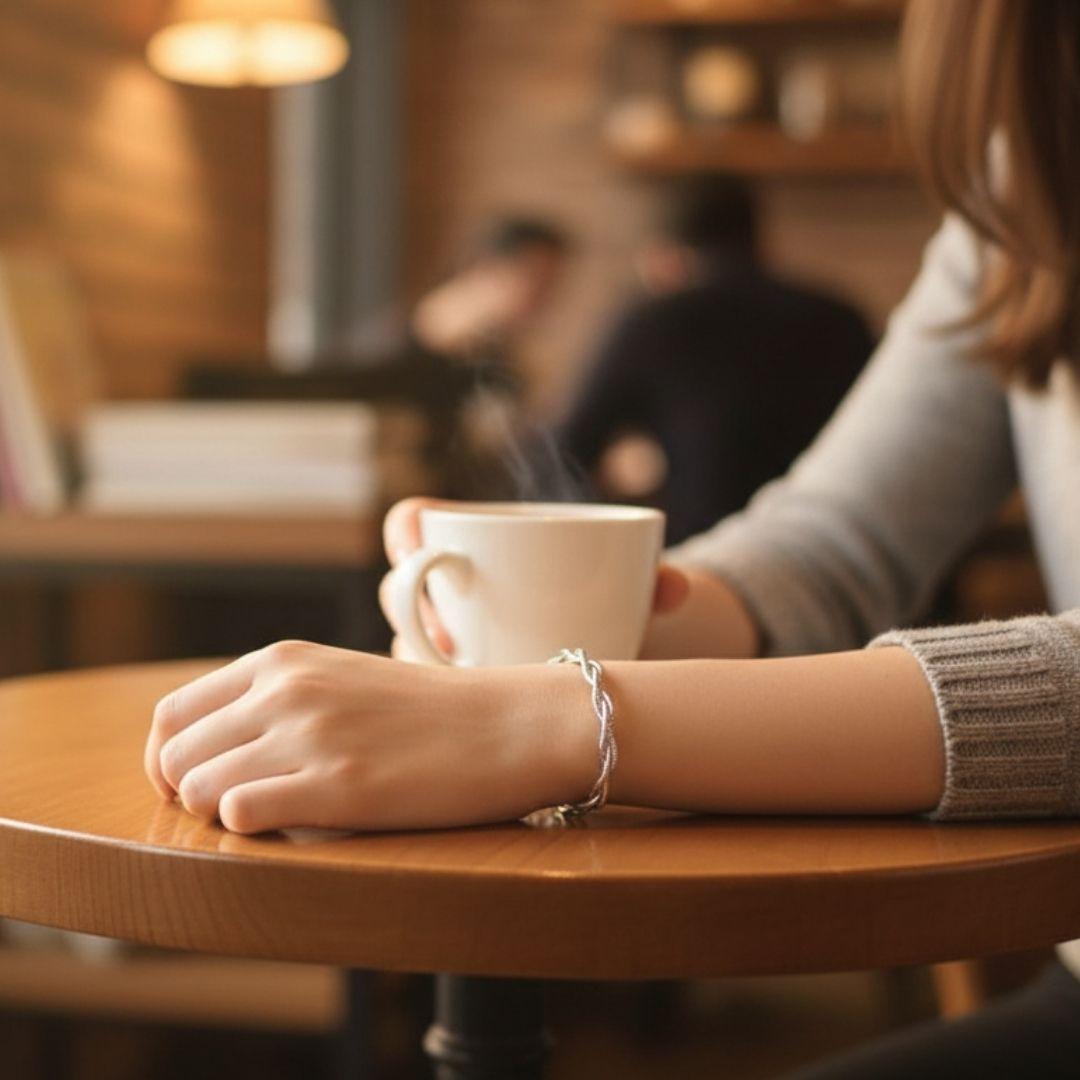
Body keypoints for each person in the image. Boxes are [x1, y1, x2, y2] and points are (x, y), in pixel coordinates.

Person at [144, 1, 1080, 1074]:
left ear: (667, 251)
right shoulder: (1027, 184)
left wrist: (548, 716)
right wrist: (607, 612)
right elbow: (838, 537)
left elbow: (566, 445)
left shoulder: (655, 317)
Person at [557, 173, 874, 543]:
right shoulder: (841, 317)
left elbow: (562, 455)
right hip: (830, 551)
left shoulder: (654, 320)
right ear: (756, 242)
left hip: (702, 562)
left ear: (663, 257)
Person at [341, 215, 572, 498]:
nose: (545, 301)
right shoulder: (389, 357)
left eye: (553, 286)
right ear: (484, 268)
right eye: (537, 282)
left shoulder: (500, 366)